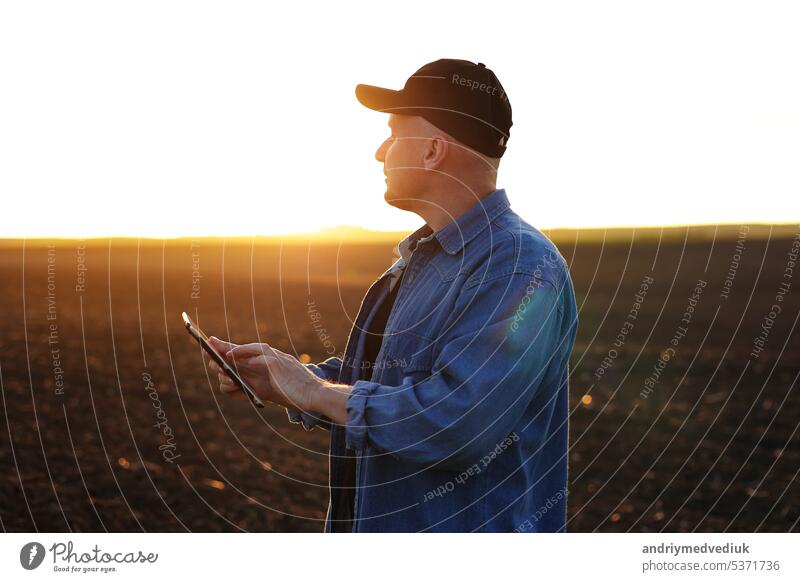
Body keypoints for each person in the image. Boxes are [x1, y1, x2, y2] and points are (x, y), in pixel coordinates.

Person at [208, 58, 579, 532]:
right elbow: (391, 382)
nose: (380, 152)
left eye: (393, 132)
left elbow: (455, 421)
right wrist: (289, 381)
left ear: (432, 151)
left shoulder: (519, 268)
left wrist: (316, 392)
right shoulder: (424, 257)